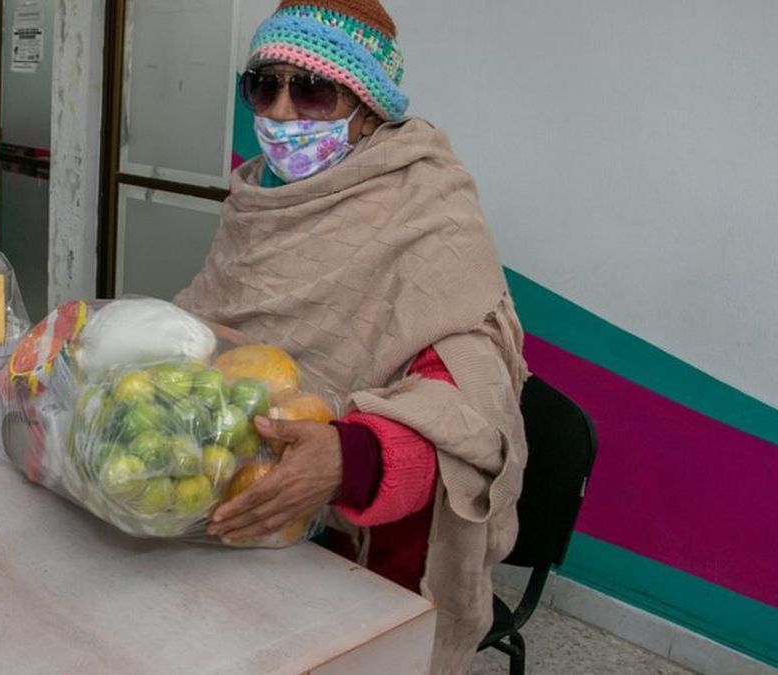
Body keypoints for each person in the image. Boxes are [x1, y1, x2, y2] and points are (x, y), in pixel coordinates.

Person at [174, 1, 529, 671]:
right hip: (224, 510)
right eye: (263, 86)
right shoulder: (258, 199)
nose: (281, 113)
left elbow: (472, 402)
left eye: (311, 90)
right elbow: (206, 328)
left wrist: (349, 457)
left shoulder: (425, 206)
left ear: (368, 110)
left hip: (355, 551)